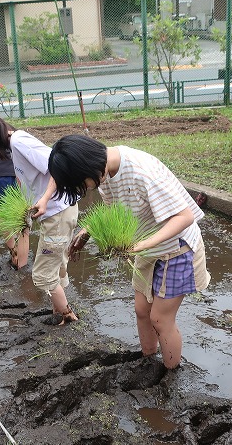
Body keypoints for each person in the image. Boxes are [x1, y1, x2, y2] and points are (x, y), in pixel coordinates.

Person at [47, 135, 211, 369]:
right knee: (142, 310)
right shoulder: (105, 174)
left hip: (177, 249)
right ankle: (147, 360)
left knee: (160, 318)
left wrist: (142, 245)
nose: (85, 189)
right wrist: (89, 230)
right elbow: (114, 210)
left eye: (82, 184)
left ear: (89, 168)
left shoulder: (142, 174)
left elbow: (185, 216)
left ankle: (170, 373)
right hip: (149, 248)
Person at [0, 113, 78, 325]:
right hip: (57, 212)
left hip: (58, 212)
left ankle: (68, 316)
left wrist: (43, 199)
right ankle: (57, 311)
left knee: (42, 274)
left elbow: (57, 166)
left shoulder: (19, 141)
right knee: (55, 265)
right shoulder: (12, 144)